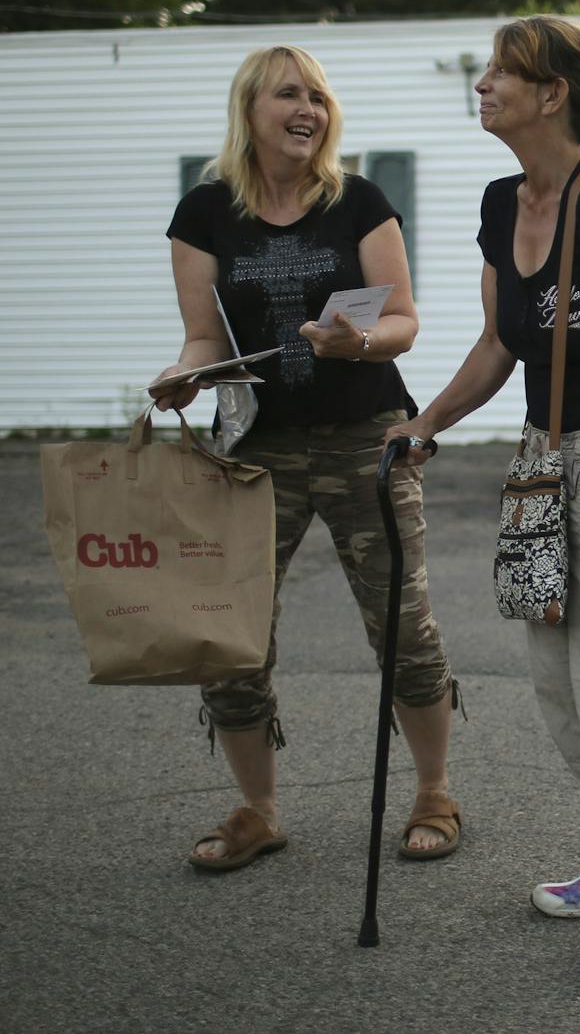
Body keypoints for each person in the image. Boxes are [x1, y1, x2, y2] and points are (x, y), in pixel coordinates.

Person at [386, 16, 580, 979]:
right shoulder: (498, 201)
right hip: (541, 459)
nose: (481, 85)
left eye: (499, 74)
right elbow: (499, 344)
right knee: (562, 680)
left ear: (552, 94)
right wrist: (423, 424)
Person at [151, 45, 462, 872]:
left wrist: (359, 341)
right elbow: (204, 337)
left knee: (403, 625)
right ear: (250, 108)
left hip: (367, 435)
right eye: (290, 95)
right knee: (232, 638)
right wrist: (185, 376)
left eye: (318, 97)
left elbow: (403, 320)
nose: (308, 110)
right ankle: (258, 809)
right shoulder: (205, 211)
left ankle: (434, 791)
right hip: (258, 451)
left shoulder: (356, 200)